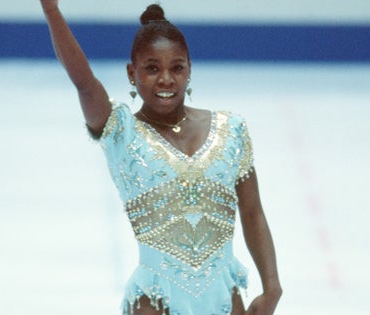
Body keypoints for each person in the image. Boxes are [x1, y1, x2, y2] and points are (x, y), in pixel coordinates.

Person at [40, 1, 282, 314]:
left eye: (176, 67)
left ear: (190, 69)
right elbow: (84, 82)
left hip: (225, 299)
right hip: (155, 301)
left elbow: (252, 211)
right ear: (132, 73)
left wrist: (272, 286)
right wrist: (52, 12)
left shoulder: (230, 130)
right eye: (152, 68)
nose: (165, 79)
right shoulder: (121, 132)